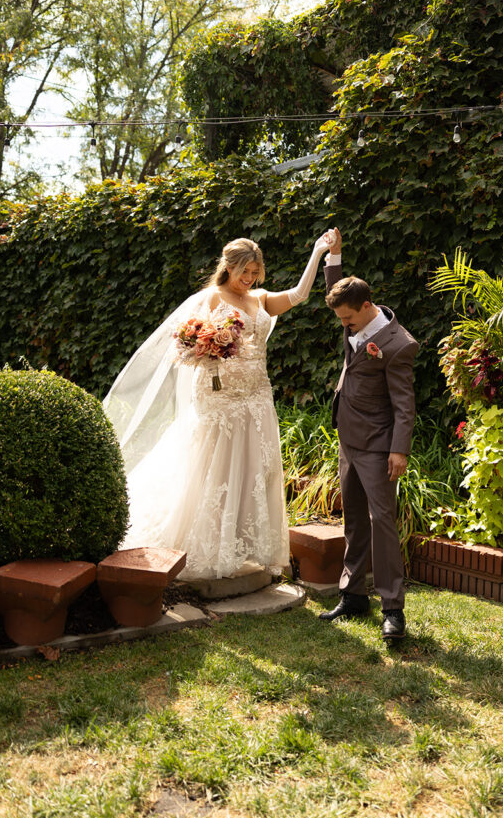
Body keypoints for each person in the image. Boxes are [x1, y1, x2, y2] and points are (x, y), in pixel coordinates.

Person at [104, 233, 334, 581]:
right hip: (219, 397)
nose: (251, 278)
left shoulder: (260, 299)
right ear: (229, 266)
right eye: (246, 271)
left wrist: (317, 252)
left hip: (257, 396)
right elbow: (187, 342)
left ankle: (243, 543)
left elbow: (300, 295)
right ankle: (211, 543)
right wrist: (205, 351)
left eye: (256, 272)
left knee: (256, 469)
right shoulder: (212, 296)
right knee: (216, 468)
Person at [320, 229, 419, 641]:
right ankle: (352, 595)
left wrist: (399, 451)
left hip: (379, 447)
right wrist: (334, 258)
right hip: (348, 440)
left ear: (368, 307)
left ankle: (392, 609)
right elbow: (338, 293)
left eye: (348, 319)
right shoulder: (354, 315)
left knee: (382, 522)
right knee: (355, 521)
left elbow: (404, 404)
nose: (344, 326)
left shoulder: (398, 345)